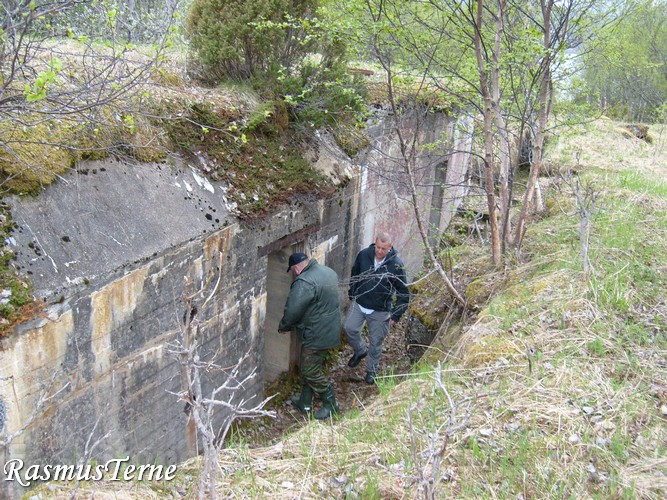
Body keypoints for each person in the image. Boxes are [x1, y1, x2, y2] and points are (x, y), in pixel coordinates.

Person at [278, 252, 342, 419]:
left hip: (316, 333)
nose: (294, 274)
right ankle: (305, 401)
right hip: (330, 329)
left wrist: (284, 325)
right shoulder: (328, 272)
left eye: (292, 270)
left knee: (309, 370)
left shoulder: (304, 282)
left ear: (296, 268)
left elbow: (293, 310)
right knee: (312, 365)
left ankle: (331, 403)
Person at [344, 232, 410, 384]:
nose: (380, 251)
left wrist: (395, 316)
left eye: (383, 249)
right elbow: (355, 274)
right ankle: (360, 351)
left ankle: (371, 370)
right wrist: (352, 293)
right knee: (349, 328)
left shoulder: (396, 265)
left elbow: (403, 293)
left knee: (375, 342)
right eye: (378, 247)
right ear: (375, 244)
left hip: (380, 310)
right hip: (360, 303)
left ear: (390, 248)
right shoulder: (364, 255)